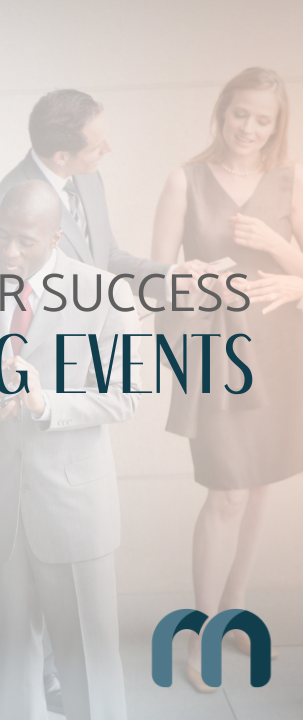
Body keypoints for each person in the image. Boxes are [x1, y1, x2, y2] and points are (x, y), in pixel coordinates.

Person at [0, 180, 140, 720]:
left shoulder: (104, 292)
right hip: (0, 507)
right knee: (12, 663)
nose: (9, 252)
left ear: (56, 236)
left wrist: (44, 404)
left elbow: (125, 397)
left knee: (88, 667)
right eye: (3, 237)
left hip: (75, 509)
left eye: (25, 241)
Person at [149, 66, 303, 692]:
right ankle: (202, 628)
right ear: (223, 111)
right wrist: (197, 279)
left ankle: (234, 609)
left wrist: (281, 251)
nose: (249, 128)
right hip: (216, 357)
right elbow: (153, 282)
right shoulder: (183, 180)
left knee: (260, 485)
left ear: (276, 126)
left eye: (262, 120)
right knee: (227, 494)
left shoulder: (290, 183)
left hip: (279, 352)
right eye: (241, 113)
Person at [0, 89, 203, 295]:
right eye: (97, 146)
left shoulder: (88, 178)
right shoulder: (5, 207)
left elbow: (104, 258)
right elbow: (1, 301)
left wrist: (171, 276)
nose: (109, 149)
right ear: (62, 157)